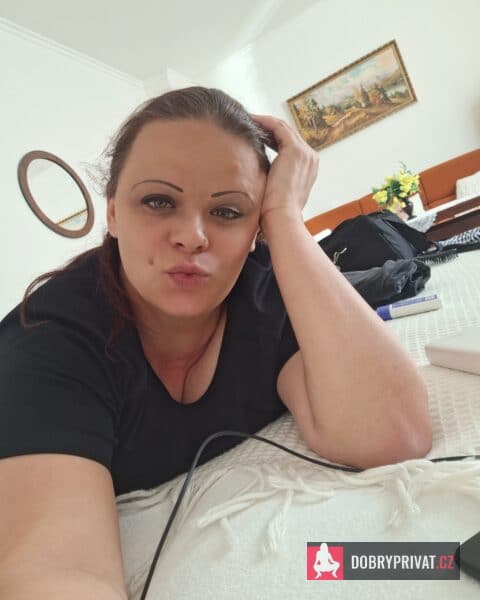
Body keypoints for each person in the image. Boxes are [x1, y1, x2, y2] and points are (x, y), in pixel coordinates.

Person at [0, 87, 432, 597]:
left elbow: (393, 433)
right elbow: (54, 572)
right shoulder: (50, 339)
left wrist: (285, 219)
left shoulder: (268, 292)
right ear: (113, 213)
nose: (192, 236)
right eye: (158, 201)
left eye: (228, 211)